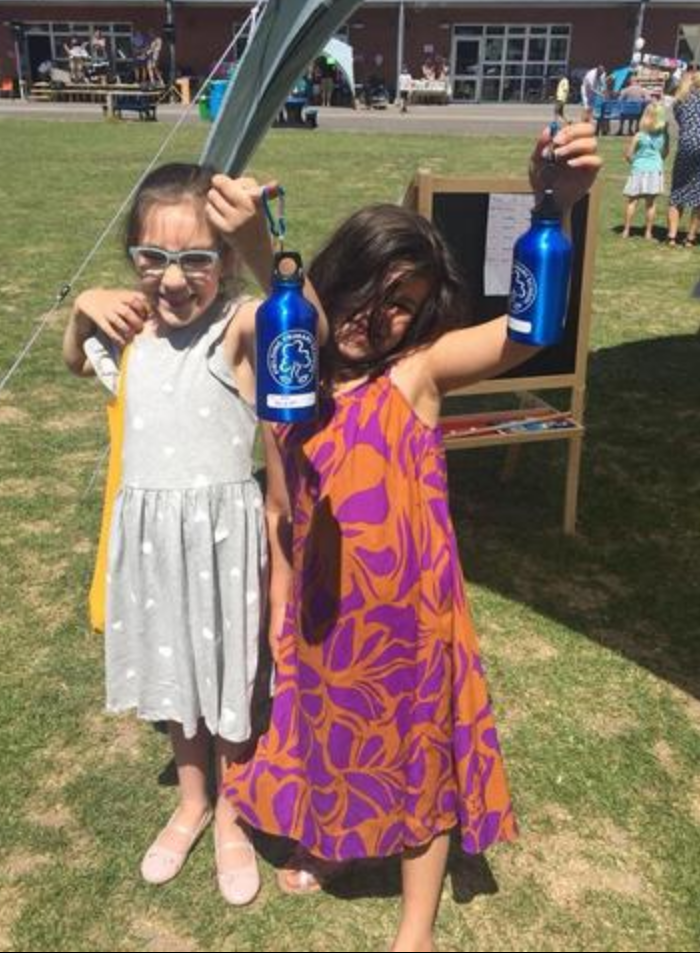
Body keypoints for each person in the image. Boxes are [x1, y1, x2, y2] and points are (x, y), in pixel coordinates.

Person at [222, 123, 602, 951]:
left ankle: (416, 925)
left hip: (411, 622)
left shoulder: (417, 373)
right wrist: (280, 609)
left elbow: (529, 331)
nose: (379, 316)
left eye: (403, 302)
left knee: (420, 763)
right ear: (334, 276)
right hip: (322, 614)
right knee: (322, 735)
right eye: (368, 289)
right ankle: (330, 845)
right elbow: (283, 505)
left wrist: (554, 209)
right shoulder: (292, 373)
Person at [61, 164, 285, 905]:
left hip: (221, 546)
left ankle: (234, 813)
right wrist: (81, 309)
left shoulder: (242, 327)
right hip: (153, 547)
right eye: (152, 259)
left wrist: (260, 240)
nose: (174, 279)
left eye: (198, 259)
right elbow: (74, 357)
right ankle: (192, 800)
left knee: (228, 682)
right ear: (133, 259)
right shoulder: (133, 335)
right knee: (176, 680)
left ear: (224, 263)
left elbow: (302, 316)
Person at [621, 102, 669, 240]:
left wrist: (634, 162)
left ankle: (626, 230)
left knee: (632, 201)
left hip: (639, 169)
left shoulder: (639, 135)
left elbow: (628, 154)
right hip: (655, 170)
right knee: (651, 203)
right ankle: (648, 232)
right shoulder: (663, 136)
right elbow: (665, 154)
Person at [666, 69, 700, 247]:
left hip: (686, 145)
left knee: (677, 189)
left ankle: (672, 236)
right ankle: (691, 237)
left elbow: (681, 123)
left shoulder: (679, 101)